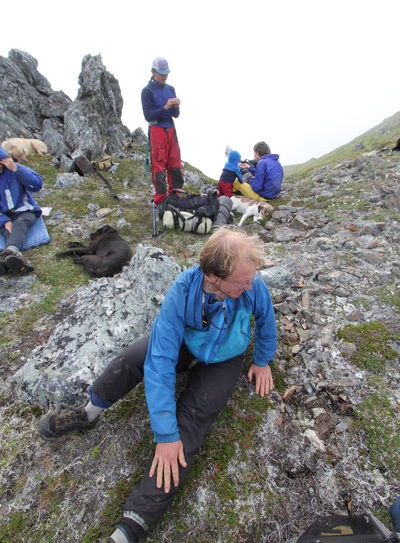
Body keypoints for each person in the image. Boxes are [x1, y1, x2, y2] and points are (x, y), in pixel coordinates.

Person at [39, 227, 277, 543]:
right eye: (242, 281)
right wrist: (165, 434)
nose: (251, 284)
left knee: (193, 420)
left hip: (226, 357)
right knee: (133, 357)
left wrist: (262, 360)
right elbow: (160, 362)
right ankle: (88, 413)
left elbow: (266, 320)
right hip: (187, 344)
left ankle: (130, 527)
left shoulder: (253, 286)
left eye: (251, 278)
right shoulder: (183, 289)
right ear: (214, 276)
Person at [141, 57, 184, 206]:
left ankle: (176, 194)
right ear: (153, 72)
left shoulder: (170, 89)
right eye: (161, 73)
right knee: (159, 164)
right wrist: (165, 107)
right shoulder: (147, 91)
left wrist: (176, 105)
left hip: (170, 128)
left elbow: (176, 115)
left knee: (175, 161)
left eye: (166, 73)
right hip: (156, 129)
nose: (164, 76)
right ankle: (161, 198)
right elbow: (148, 116)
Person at [0, 147, 43, 276]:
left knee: (19, 224)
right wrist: (4, 221)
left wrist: (17, 169)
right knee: (8, 230)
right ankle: (14, 260)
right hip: (4, 215)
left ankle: (8, 257)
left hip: (25, 211)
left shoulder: (16, 170)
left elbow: (37, 185)